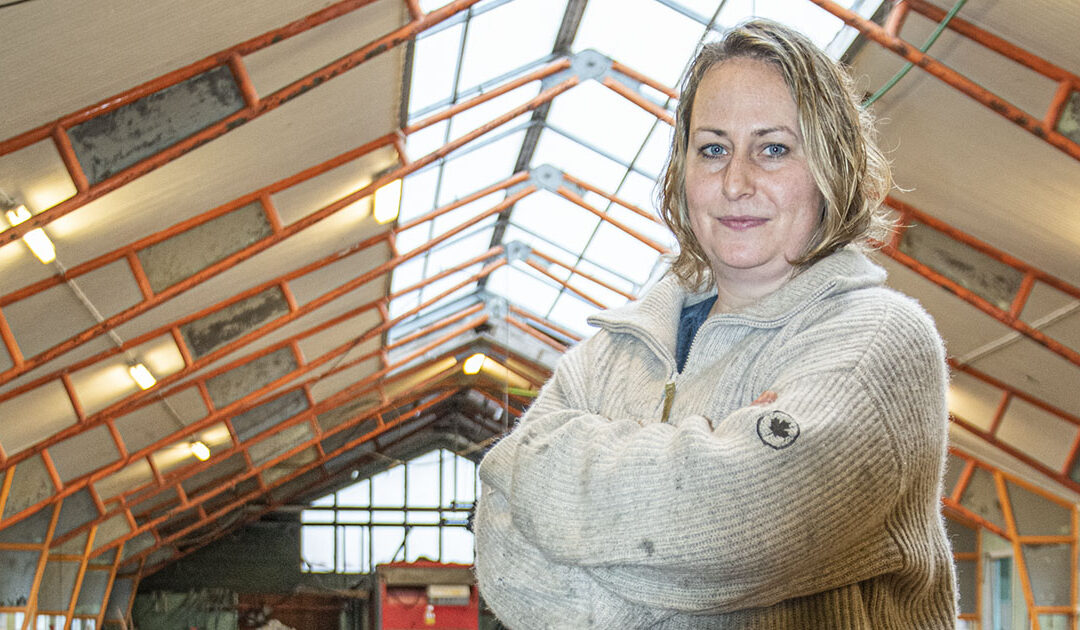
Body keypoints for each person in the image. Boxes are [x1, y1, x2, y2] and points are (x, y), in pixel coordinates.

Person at [474, 18, 957, 629]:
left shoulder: (877, 341)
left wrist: (547, 483)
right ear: (683, 171)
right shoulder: (610, 354)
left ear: (831, 166)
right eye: (713, 149)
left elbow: (744, 524)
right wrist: (686, 534)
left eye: (773, 149)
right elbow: (501, 553)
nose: (735, 182)